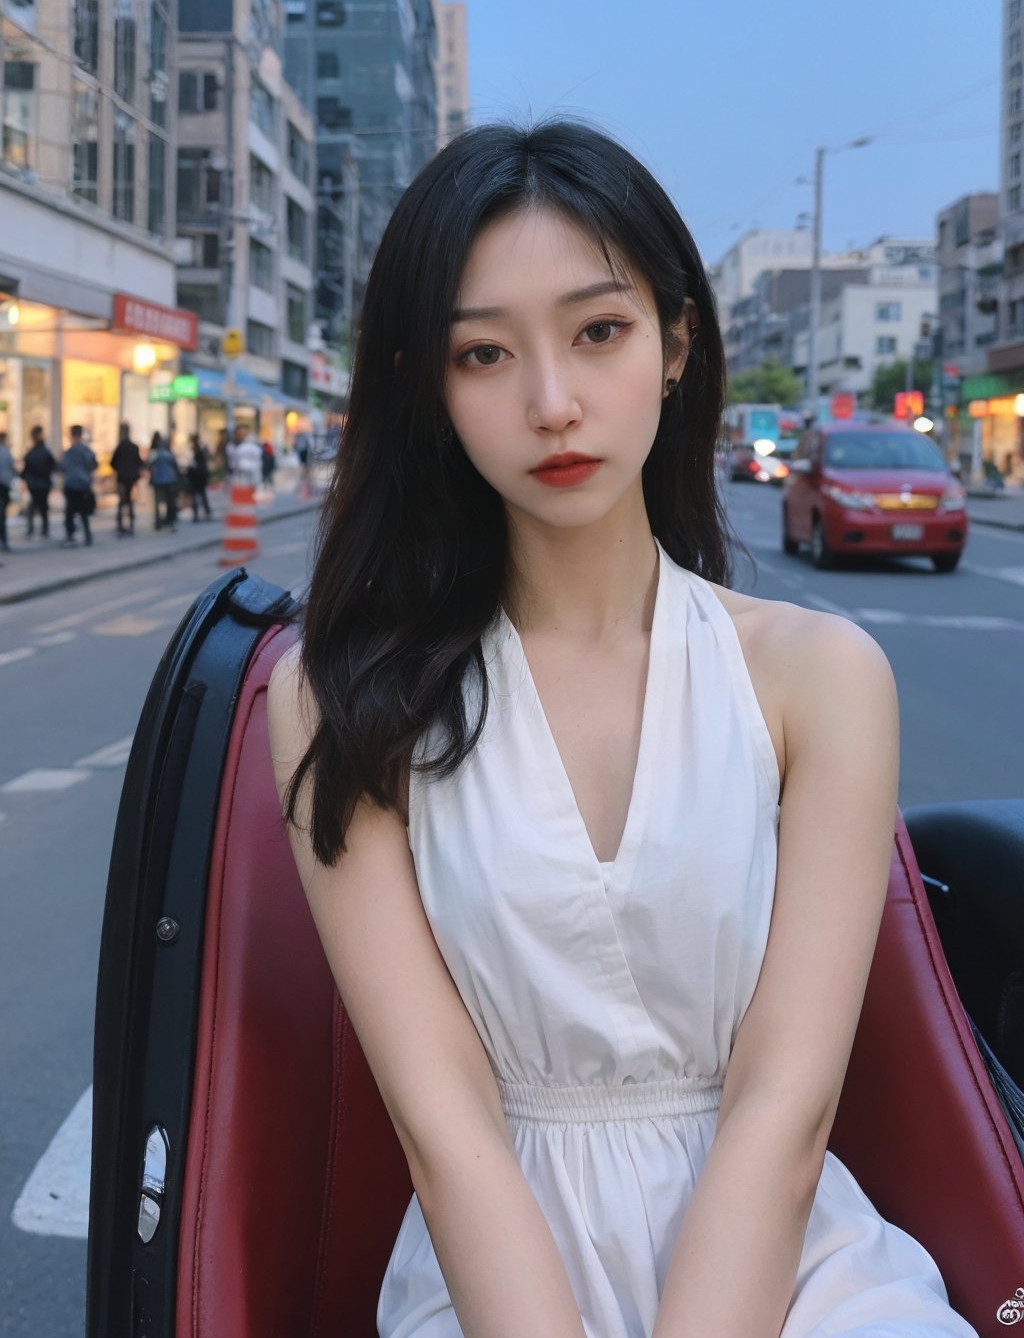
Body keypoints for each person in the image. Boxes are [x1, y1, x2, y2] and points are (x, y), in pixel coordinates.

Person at [265, 122, 978, 1338]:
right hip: (494, 1271)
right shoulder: (342, 695)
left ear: (675, 340)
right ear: (426, 388)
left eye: (599, 331)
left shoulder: (819, 678)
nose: (552, 405)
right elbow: (442, 1126)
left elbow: (783, 1105)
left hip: (786, 1260)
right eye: (483, 354)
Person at [60, 423, 97, 547]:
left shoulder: (69, 452)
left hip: (70, 484)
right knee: (83, 511)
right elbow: (93, 465)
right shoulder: (86, 451)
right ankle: (87, 535)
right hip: (83, 484)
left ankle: (70, 535)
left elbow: (62, 466)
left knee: (70, 511)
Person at [21, 425, 57, 538]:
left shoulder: (32, 452)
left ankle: (32, 528)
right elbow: (53, 466)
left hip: (35, 483)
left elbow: (25, 470)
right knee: (43, 506)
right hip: (42, 483)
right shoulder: (44, 451)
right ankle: (43, 529)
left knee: (34, 505)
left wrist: (26, 478)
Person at [110, 421, 142, 536]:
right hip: (131, 478)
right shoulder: (134, 447)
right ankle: (131, 524)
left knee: (122, 501)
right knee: (129, 501)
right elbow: (139, 462)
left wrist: (119, 469)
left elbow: (112, 463)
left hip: (122, 478)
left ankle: (121, 524)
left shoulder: (120, 447)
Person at [146, 431, 179, 531]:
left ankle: (159, 521)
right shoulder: (167, 453)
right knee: (168, 501)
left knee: (158, 502)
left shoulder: (154, 453)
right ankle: (168, 520)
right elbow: (174, 465)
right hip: (168, 479)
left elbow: (148, 464)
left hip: (158, 480)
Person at [186, 434, 212, 521]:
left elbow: (201, 464)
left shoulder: (199, 450)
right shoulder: (196, 450)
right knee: (199, 495)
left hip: (198, 477)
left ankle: (204, 512)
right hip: (197, 477)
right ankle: (200, 513)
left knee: (200, 495)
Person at [0, 430, 14, 553]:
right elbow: (11, 468)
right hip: (3, 486)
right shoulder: (6, 452)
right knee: (2, 516)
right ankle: (4, 542)